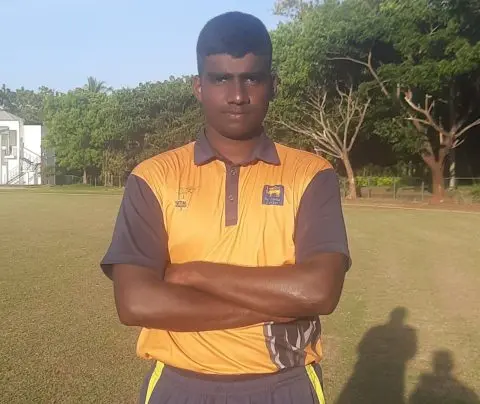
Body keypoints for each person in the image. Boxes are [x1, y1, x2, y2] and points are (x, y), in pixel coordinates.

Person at [101, 11, 351, 404]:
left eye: (252, 78)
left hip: (285, 384)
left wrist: (193, 273)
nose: (237, 95)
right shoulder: (153, 177)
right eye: (220, 79)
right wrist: (280, 305)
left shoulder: (310, 174)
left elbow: (319, 291)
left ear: (273, 85)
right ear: (198, 86)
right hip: (179, 385)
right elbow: (136, 302)